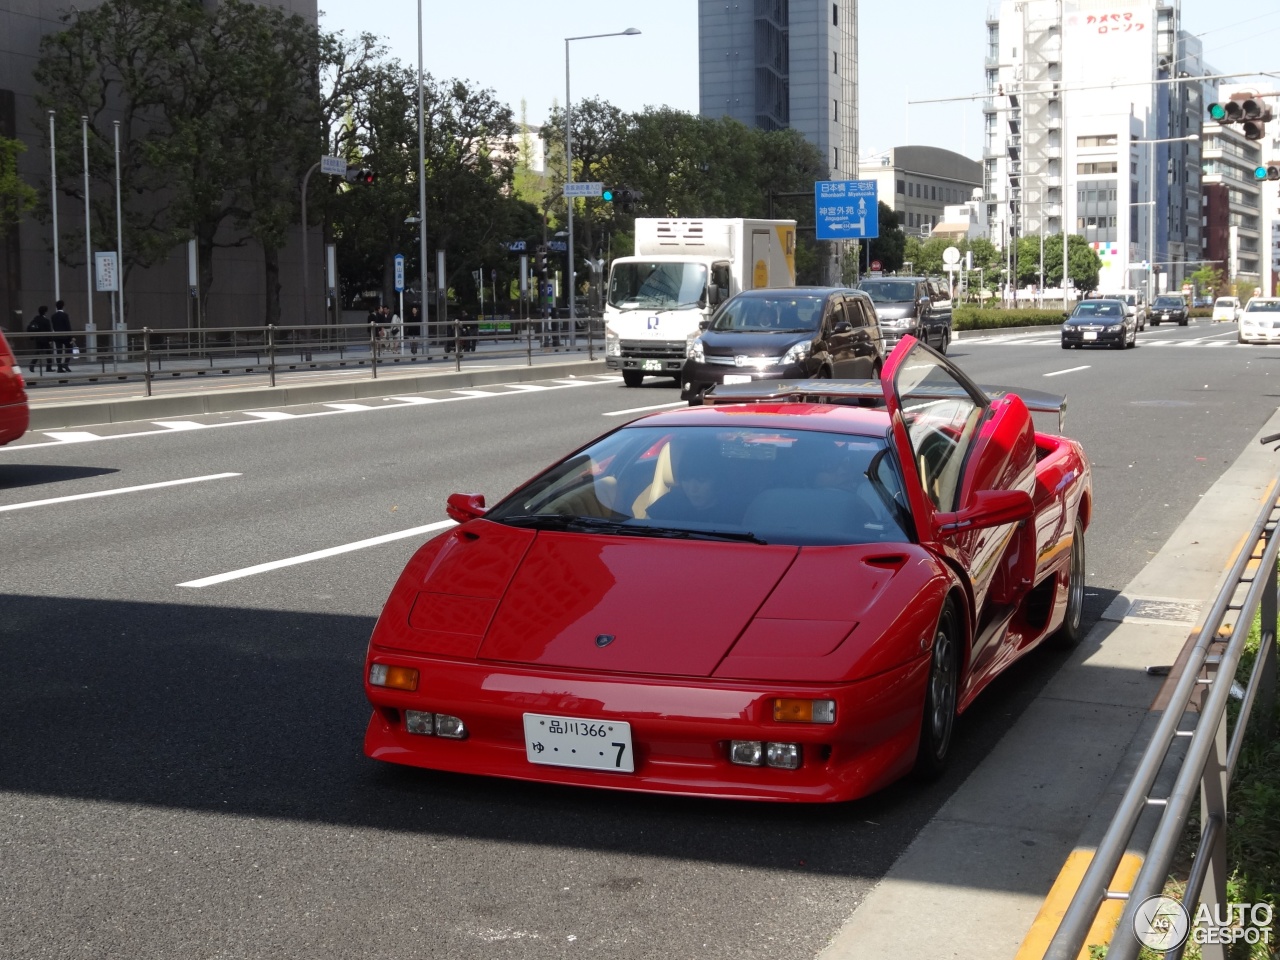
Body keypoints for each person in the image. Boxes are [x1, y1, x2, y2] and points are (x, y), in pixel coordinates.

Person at [647, 441, 727, 523]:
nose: (693, 489)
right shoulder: (668, 503)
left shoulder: (730, 513)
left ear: (717, 479)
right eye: (686, 479)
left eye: (701, 480)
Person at [26, 305, 53, 374]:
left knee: (37, 352)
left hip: (38, 338)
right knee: (49, 353)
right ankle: (48, 368)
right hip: (45, 339)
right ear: (45, 312)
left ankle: (32, 365)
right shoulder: (46, 321)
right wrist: (50, 340)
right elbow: (49, 331)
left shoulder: (36, 319)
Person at [51, 299, 74, 373]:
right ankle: (65, 364)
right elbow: (68, 326)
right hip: (65, 336)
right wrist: (71, 336)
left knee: (59, 352)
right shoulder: (65, 315)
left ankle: (59, 367)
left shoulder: (53, 316)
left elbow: (54, 327)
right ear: (63, 306)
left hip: (57, 336)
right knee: (69, 349)